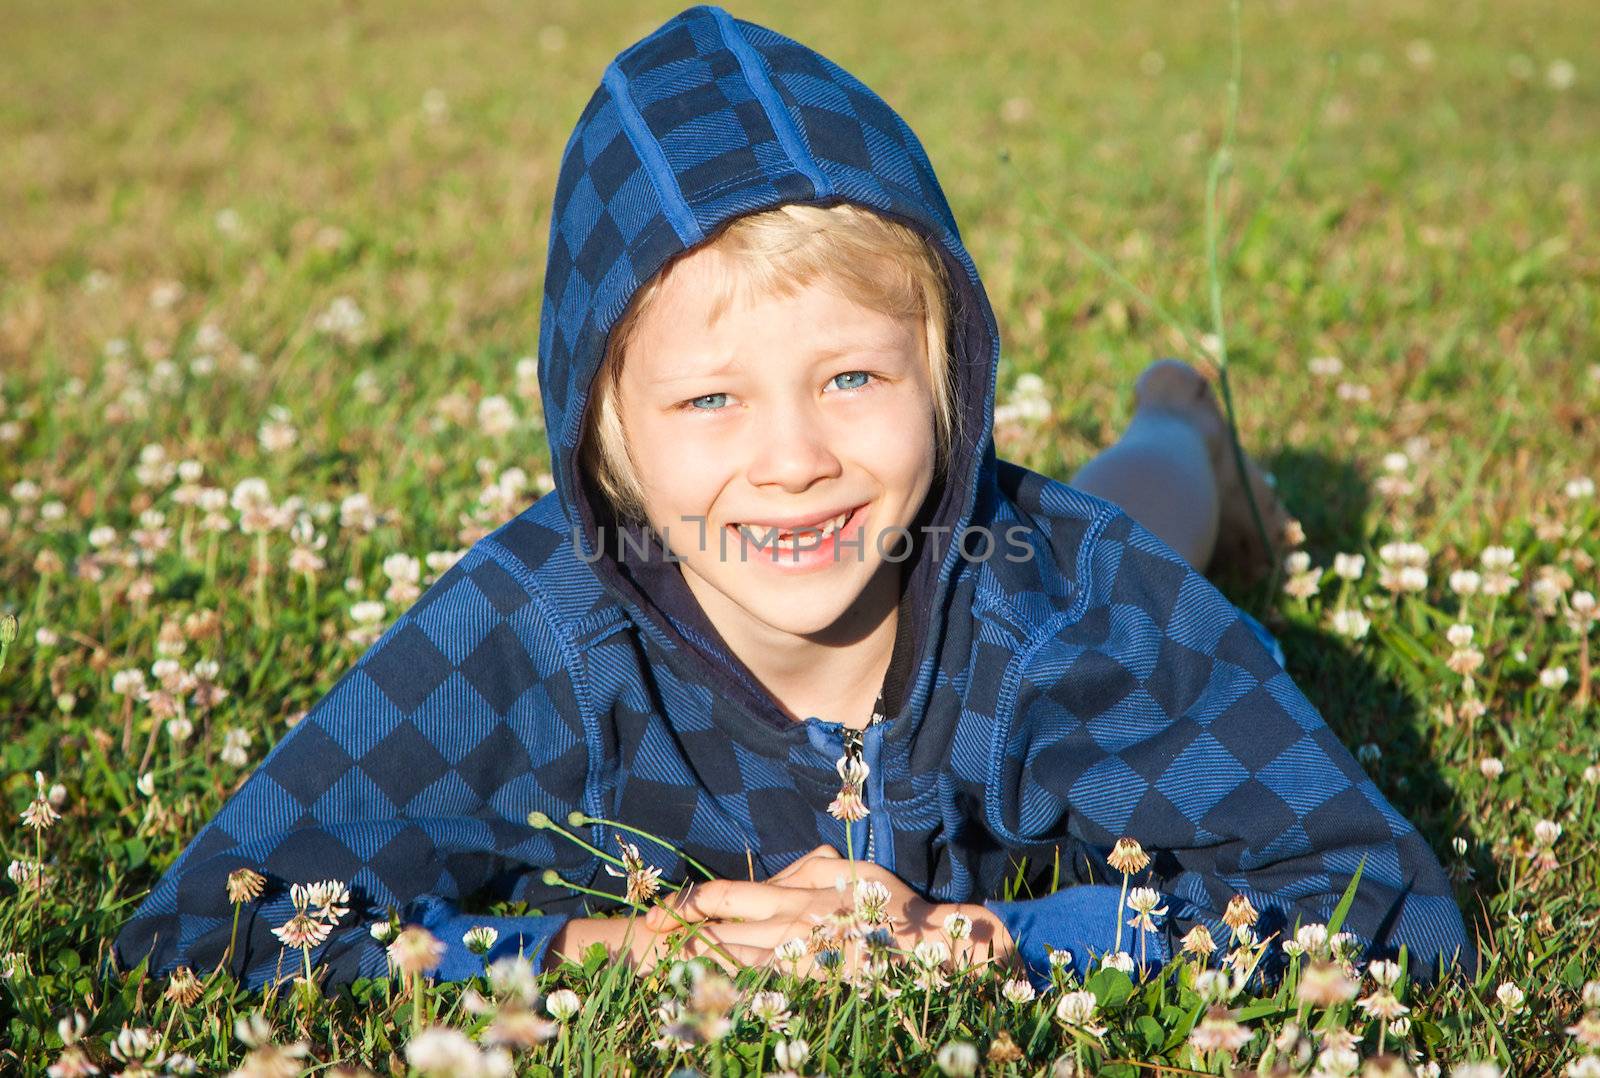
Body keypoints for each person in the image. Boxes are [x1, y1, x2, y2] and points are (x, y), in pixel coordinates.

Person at [115, 3, 1472, 992]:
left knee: (1126, 514)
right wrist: (606, 949)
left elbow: (1382, 898)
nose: (792, 458)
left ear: (946, 375)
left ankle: (1186, 427)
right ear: (608, 436)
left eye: (853, 377)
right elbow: (203, 928)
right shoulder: (531, 637)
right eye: (709, 399)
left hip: (1045, 546)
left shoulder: (1066, 606)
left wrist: (1007, 941)